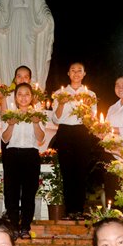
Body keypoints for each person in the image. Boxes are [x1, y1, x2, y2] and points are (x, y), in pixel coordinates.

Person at [50, 62, 97, 220]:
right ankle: (69, 210)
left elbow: (92, 120)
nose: (76, 73)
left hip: (82, 132)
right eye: (73, 70)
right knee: (67, 171)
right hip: (65, 132)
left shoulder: (90, 94)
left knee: (81, 171)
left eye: (79, 71)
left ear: (84, 74)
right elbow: (55, 119)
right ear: (68, 74)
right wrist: (61, 103)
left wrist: (87, 110)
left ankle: (79, 210)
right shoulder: (60, 93)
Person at [1, 83, 46, 239]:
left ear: (32, 97)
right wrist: (11, 124)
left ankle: (25, 226)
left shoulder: (38, 114)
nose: (23, 97)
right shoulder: (8, 115)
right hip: (12, 154)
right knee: (11, 192)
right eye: (20, 94)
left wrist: (35, 122)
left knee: (29, 193)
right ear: (15, 97)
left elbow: (41, 138)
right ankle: (13, 226)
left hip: (31, 155)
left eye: (27, 94)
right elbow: (5, 138)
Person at [100, 73, 123, 206]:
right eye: (117, 85)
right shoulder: (112, 108)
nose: (120, 88)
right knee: (112, 190)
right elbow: (105, 127)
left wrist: (115, 130)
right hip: (111, 153)